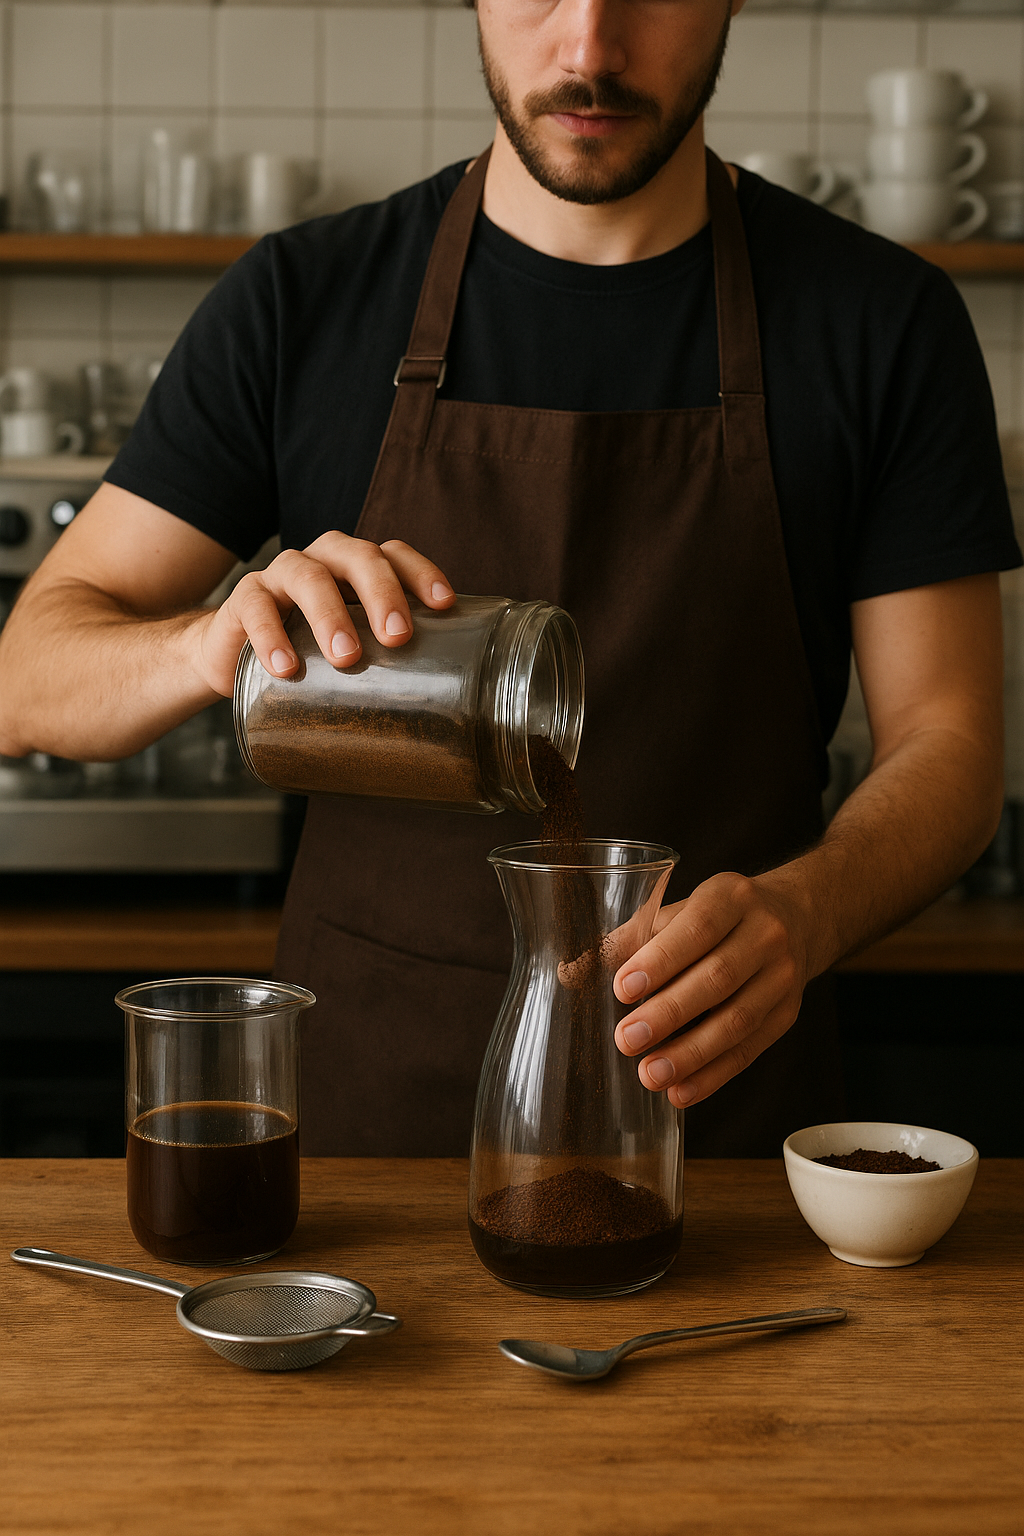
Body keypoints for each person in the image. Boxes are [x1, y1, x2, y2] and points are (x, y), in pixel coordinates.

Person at [0, 0, 1019, 1156]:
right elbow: (26, 675)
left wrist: (807, 908)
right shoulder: (301, 302)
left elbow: (950, 744)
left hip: (714, 1145)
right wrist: (207, 643)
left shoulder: (879, 323)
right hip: (365, 1151)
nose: (589, 48)